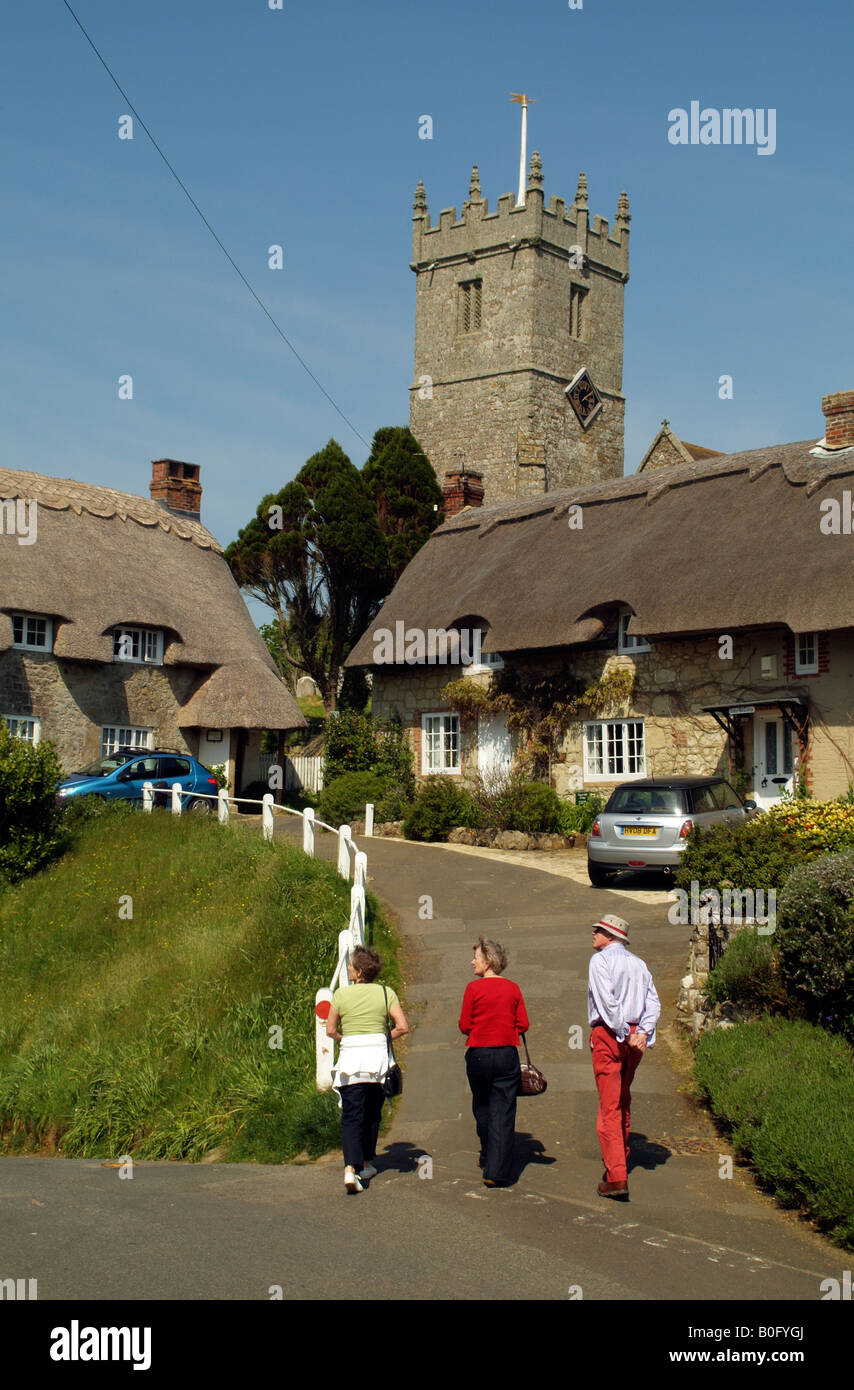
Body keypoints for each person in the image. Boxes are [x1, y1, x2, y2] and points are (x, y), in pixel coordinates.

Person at [588, 914, 660, 1201]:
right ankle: (622, 1157)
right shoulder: (639, 964)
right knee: (623, 1098)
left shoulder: (600, 961)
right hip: (633, 1037)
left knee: (609, 1107)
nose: (594, 933)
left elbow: (607, 1001)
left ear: (610, 936)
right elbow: (652, 1002)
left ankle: (616, 1174)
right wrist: (642, 1032)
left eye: (599, 930)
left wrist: (622, 1032)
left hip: (610, 1034)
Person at [326, 945, 409, 1194]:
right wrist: (383, 1039)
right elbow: (402, 1026)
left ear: (359, 972)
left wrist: (345, 1039)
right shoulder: (386, 993)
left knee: (351, 1116)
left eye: (351, 966)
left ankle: (350, 1170)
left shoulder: (341, 995)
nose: (349, 968)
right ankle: (365, 1164)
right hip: (377, 1062)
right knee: (373, 1113)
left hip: (351, 1061)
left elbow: (330, 1030)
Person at [458, 937, 530, 1188]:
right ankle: (497, 1169)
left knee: (483, 1106)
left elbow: (464, 1025)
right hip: (506, 1053)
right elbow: (523, 1024)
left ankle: (487, 1151)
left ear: (488, 962)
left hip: (478, 1053)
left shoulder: (473, 989)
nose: (472, 962)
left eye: (476, 958)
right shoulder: (513, 988)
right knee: (504, 1109)